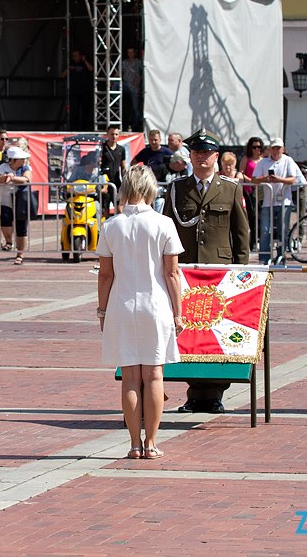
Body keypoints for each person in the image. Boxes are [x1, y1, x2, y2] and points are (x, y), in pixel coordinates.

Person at [97, 164, 183, 459]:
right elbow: (172, 274)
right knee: (155, 375)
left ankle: (134, 443)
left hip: (122, 304)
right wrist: (178, 312)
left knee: (131, 377)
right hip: (155, 304)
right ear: (150, 189)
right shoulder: (164, 224)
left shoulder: (110, 225)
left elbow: (105, 275)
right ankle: (152, 442)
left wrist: (101, 310)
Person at [165, 130, 250, 414]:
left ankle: (214, 393)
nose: (201, 158)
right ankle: (194, 393)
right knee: (189, 333)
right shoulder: (177, 189)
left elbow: (241, 234)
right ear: (189, 157)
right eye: (196, 153)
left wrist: (240, 273)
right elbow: (166, 230)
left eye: (206, 153)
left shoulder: (231, 188)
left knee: (214, 332)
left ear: (216, 156)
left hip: (219, 272)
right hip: (186, 272)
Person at [251, 138, 306, 264]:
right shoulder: (264, 162)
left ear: (283, 149)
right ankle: (264, 257)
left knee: (283, 230)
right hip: (267, 202)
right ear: (270, 149)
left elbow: (293, 179)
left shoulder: (288, 160)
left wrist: (280, 179)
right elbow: (254, 179)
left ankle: (281, 256)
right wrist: (265, 179)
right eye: (273, 148)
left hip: (284, 202)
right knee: (265, 230)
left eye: (278, 148)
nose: (276, 151)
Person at [0, 146, 32, 265]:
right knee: (5, 220)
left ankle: (20, 253)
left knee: (21, 226)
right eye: (20, 158)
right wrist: (5, 177)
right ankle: (8, 241)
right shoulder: (3, 167)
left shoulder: (26, 167)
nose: (23, 160)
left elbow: (26, 178)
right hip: (6, 198)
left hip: (21, 199)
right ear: (13, 160)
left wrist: (12, 178)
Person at [100, 125, 128, 218]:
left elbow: (123, 167)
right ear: (107, 134)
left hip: (116, 183)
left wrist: (125, 181)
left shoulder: (121, 149)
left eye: (116, 134)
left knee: (120, 209)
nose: (114, 136)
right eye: (112, 134)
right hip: (104, 183)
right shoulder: (102, 148)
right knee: (105, 210)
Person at [62, 49, 93, 131]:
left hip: (85, 91)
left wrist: (85, 60)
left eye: (76, 55)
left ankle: (84, 129)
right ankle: (74, 129)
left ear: (80, 56)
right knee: (75, 112)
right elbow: (62, 75)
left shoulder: (84, 63)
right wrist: (69, 68)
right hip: (75, 91)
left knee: (85, 111)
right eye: (73, 56)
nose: (75, 57)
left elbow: (91, 69)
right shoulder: (71, 64)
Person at [121, 47, 143, 131]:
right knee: (116, 86)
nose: (130, 54)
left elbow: (144, 72)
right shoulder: (124, 62)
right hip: (126, 85)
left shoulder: (138, 62)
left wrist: (140, 79)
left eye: (132, 52)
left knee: (136, 109)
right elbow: (119, 71)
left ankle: (135, 127)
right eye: (128, 52)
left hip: (135, 88)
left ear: (135, 53)